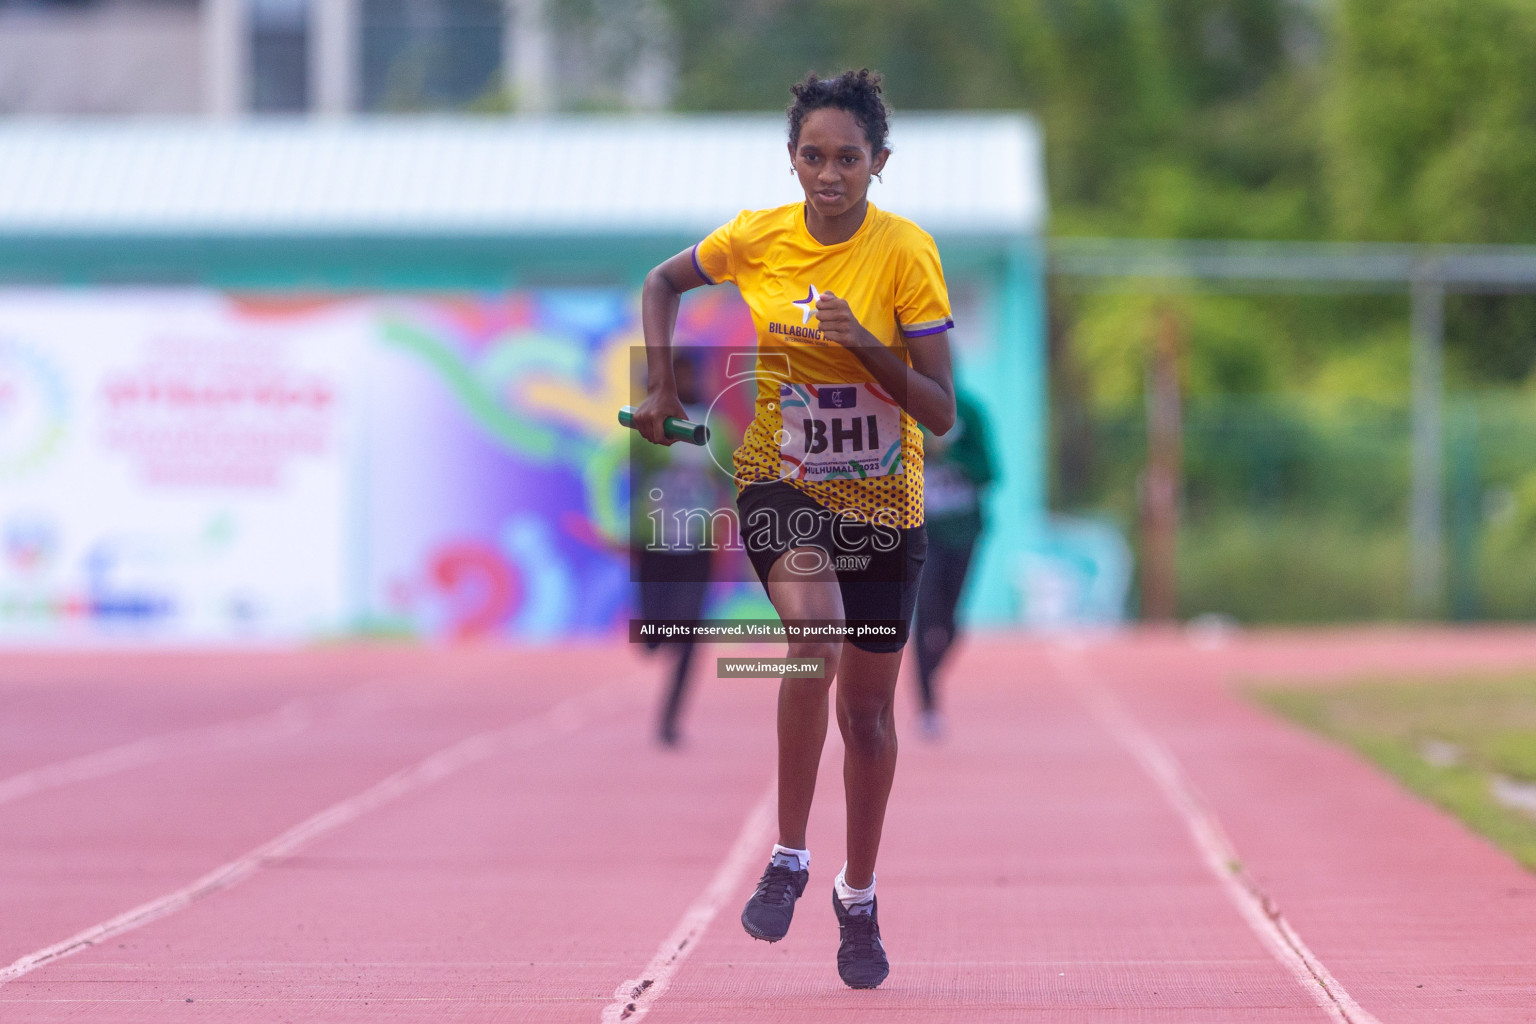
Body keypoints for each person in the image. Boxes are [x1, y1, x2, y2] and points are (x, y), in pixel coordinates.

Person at [632, 68, 955, 990]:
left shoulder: (905, 255)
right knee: (809, 636)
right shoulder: (758, 239)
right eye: (812, 156)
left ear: (878, 164)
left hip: (885, 501)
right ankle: (787, 854)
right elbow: (662, 282)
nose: (828, 174)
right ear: (791, 160)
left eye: (847, 158)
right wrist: (658, 383)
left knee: (867, 714)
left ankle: (858, 893)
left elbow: (937, 410)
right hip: (782, 479)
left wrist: (861, 344)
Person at [632, 354, 728, 747]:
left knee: (689, 629)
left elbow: (734, 481)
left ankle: (670, 718)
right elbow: (608, 464)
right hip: (653, 542)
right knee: (655, 636)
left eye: (692, 372)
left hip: (697, 545)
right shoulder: (645, 423)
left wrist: (744, 527)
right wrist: (609, 522)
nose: (687, 380)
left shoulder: (717, 429)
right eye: (678, 374)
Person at [912, 387, 995, 739]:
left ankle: (931, 672)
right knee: (924, 611)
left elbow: (990, 471)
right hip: (922, 531)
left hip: (963, 531)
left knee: (950, 621)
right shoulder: (907, 412)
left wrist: (953, 456)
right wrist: (923, 454)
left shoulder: (971, 413)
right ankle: (927, 703)